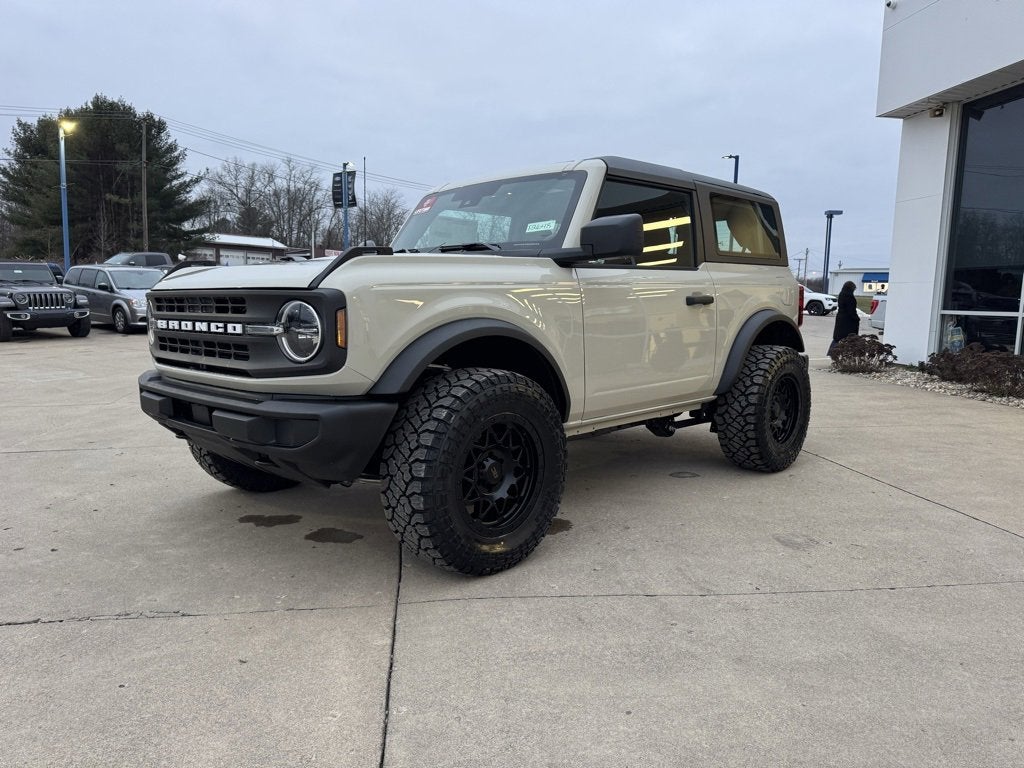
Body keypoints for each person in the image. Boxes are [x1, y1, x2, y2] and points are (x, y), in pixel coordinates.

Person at [828, 281, 859, 357]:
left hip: (840, 318)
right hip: (848, 321)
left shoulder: (841, 294)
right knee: (850, 338)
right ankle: (850, 355)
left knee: (838, 337)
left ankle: (832, 352)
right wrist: (856, 318)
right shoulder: (850, 297)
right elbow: (851, 310)